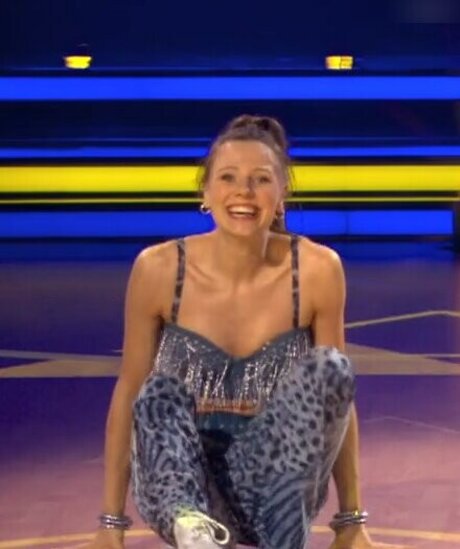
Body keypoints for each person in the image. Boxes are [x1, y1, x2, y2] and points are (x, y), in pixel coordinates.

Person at [86, 115, 409, 549]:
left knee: (332, 367)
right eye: (228, 178)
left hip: (274, 484)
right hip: (185, 478)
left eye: (260, 179)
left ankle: (281, 533)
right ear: (205, 192)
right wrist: (111, 524)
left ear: (281, 195)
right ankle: (194, 530)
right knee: (158, 392)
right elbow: (129, 393)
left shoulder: (317, 269)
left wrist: (350, 520)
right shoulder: (158, 269)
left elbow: (334, 408)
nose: (244, 192)